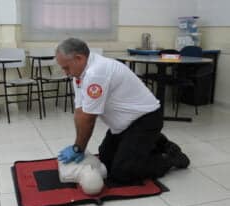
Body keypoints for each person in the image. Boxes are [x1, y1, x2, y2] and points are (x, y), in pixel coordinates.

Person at [56, 37, 190, 184]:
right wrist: (78, 146)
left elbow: (88, 119)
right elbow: (80, 112)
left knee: (122, 172)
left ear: (79, 58)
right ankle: (157, 142)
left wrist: (78, 148)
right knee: (106, 159)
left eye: (66, 67)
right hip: (125, 124)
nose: (65, 72)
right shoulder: (79, 75)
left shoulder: (96, 73)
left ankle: (169, 159)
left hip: (146, 119)